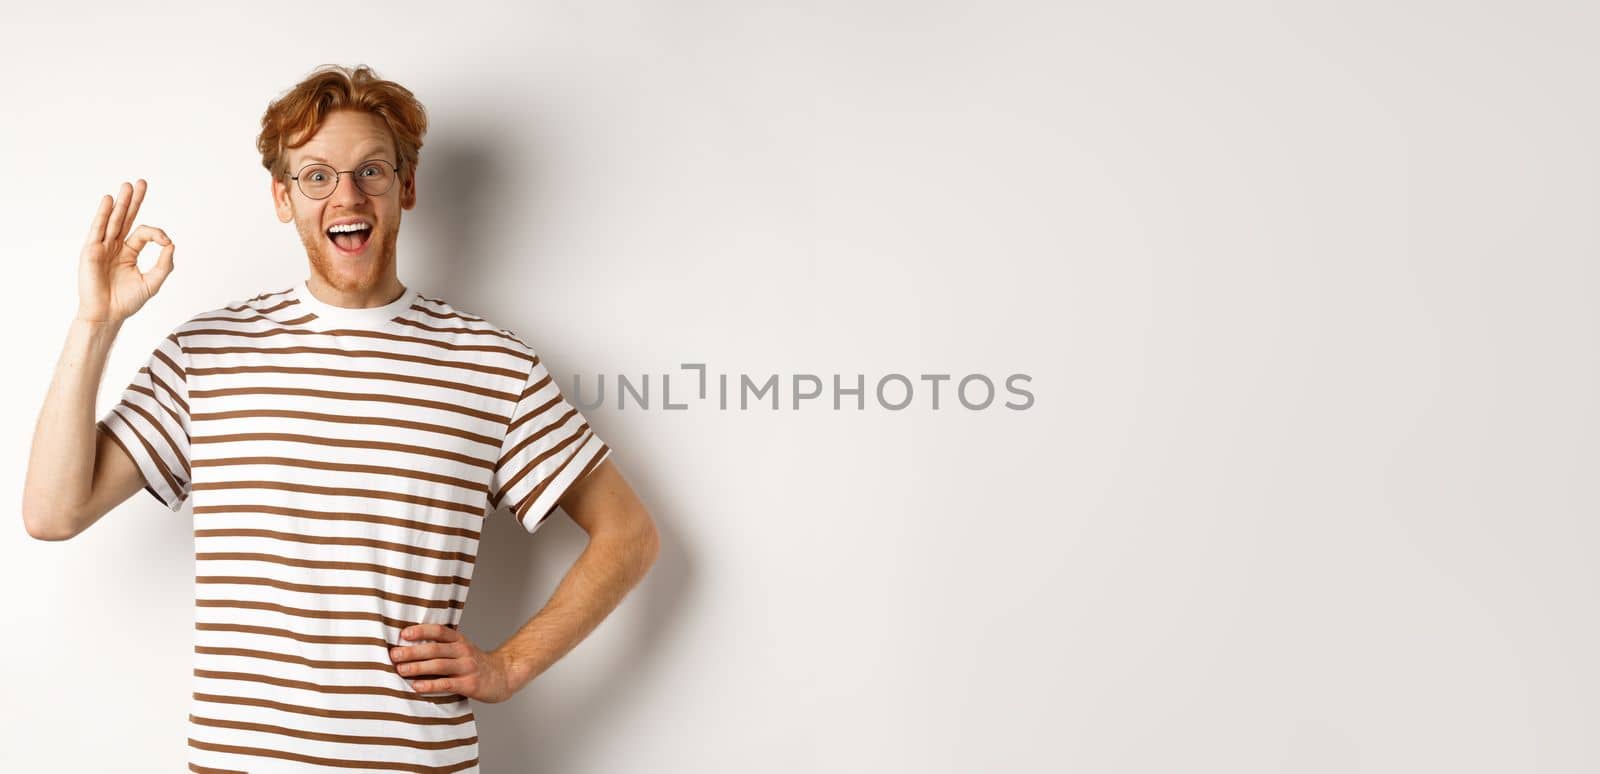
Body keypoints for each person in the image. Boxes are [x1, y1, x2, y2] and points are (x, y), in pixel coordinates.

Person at [21, 64, 660, 772]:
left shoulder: (492, 365)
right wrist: (95, 322)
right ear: (282, 197)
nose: (345, 196)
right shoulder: (205, 354)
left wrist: (508, 667)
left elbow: (629, 535)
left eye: (371, 172)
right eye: (317, 176)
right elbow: (53, 513)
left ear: (406, 187)